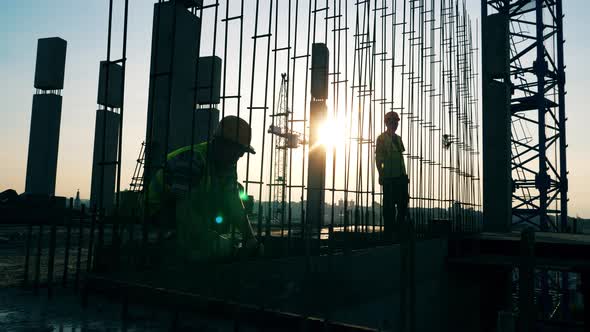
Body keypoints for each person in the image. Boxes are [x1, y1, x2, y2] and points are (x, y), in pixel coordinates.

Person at [147, 115, 260, 260]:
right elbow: (183, 209)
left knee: (231, 196)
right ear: (220, 144)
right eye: (237, 151)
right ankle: (178, 245)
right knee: (193, 239)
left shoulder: (226, 166)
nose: (238, 157)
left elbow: (234, 203)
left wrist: (249, 238)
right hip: (159, 211)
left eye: (241, 153)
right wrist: (213, 241)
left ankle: (200, 243)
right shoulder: (192, 160)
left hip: (189, 207)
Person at [375, 111, 409, 241]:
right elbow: (379, 160)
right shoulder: (382, 139)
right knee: (389, 207)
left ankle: (398, 231)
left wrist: (404, 175)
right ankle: (389, 233)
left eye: (396, 122)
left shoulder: (398, 138)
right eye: (393, 121)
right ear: (387, 123)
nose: (395, 124)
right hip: (389, 178)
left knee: (402, 205)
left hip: (400, 177)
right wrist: (382, 174)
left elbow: (400, 158)